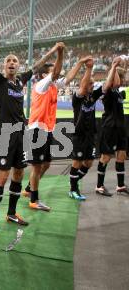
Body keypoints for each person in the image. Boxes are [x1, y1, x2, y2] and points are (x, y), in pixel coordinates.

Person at [0, 21, 64, 231]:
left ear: (18, 66)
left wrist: (54, 51)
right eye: (9, 61)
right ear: (4, 66)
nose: (12, 63)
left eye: (15, 61)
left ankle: (11, 213)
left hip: (20, 134)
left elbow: (38, 66)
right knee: (2, 176)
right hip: (4, 135)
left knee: (19, 173)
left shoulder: (20, 81)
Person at [24, 42, 66, 212]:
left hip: (47, 129)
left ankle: (29, 189)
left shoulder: (53, 86)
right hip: (37, 129)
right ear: (44, 76)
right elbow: (56, 71)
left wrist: (81, 65)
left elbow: (66, 77)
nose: (55, 75)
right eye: (50, 73)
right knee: (36, 166)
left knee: (46, 164)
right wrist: (60, 53)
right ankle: (34, 199)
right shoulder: (41, 85)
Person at [68, 56, 104, 200]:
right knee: (77, 162)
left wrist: (115, 67)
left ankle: (74, 182)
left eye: (93, 84)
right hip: (79, 134)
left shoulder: (93, 96)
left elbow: (107, 85)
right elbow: (83, 87)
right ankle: (73, 189)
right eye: (90, 84)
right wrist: (88, 68)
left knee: (88, 163)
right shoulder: (77, 97)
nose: (91, 86)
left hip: (90, 135)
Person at [95, 57, 128, 196]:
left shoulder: (120, 92)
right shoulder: (107, 91)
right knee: (106, 157)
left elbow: (123, 76)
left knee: (121, 155)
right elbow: (109, 83)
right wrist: (114, 67)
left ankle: (120, 185)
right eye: (122, 77)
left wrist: (124, 66)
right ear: (116, 78)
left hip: (120, 127)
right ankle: (99, 186)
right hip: (109, 127)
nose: (124, 79)